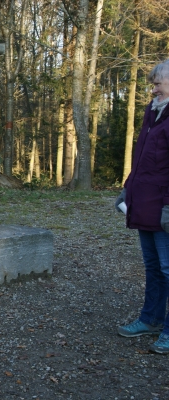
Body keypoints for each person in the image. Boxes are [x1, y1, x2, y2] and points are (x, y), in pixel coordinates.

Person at [115, 59, 169, 354]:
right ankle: (150, 319)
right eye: (152, 84)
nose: (153, 90)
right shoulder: (153, 114)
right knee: (154, 267)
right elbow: (143, 162)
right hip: (145, 202)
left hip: (164, 207)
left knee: (168, 267)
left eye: (158, 84)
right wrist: (127, 189)